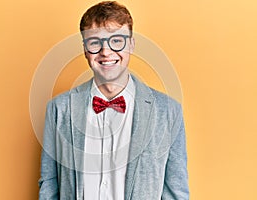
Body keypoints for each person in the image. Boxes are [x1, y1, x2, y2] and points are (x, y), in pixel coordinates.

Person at [38, 1, 189, 199]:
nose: (106, 52)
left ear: (131, 45)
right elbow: (49, 185)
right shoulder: (59, 109)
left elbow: (175, 191)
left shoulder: (168, 111)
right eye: (95, 43)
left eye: (116, 41)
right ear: (85, 49)